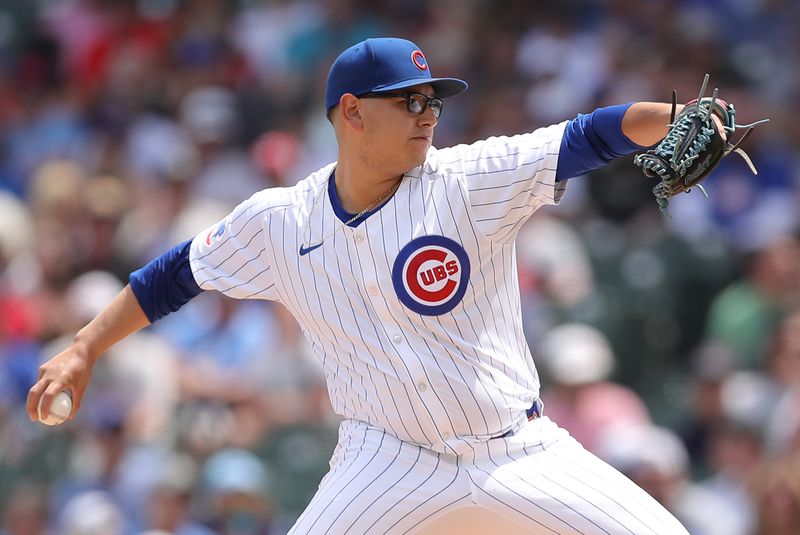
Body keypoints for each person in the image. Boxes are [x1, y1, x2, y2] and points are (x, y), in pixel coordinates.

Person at [28, 37, 705, 534]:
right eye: (409, 100)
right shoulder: (279, 220)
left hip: (515, 447)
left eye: (432, 99)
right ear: (351, 112)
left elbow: (588, 135)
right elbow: (171, 277)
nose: (428, 113)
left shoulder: (468, 180)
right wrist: (86, 346)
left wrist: (674, 119)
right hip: (386, 462)